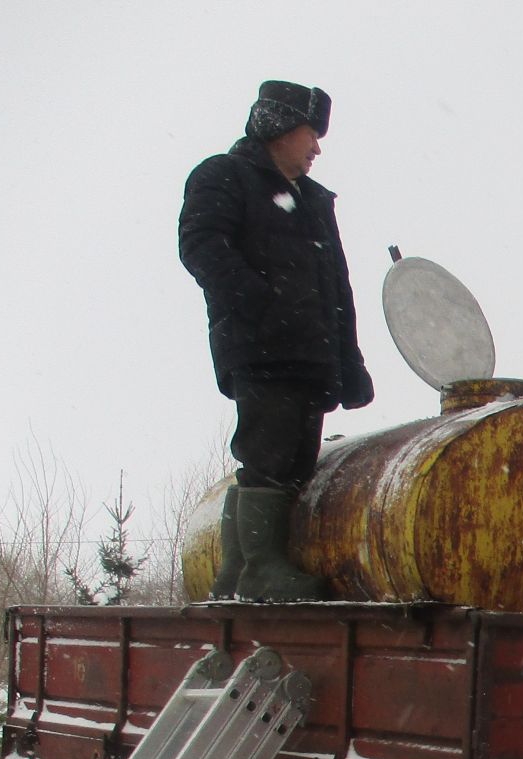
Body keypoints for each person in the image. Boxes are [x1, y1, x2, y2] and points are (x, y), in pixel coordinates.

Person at [178, 80, 374, 602]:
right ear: (279, 128)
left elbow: (338, 286)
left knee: (292, 462)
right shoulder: (224, 175)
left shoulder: (312, 200)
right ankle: (260, 570)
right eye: (311, 133)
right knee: (267, 454)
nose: (317, 148)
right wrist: (258, 304)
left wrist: (347, 358)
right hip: (262, 347)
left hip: (311, 353)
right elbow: (200, 245)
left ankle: (236, 575)